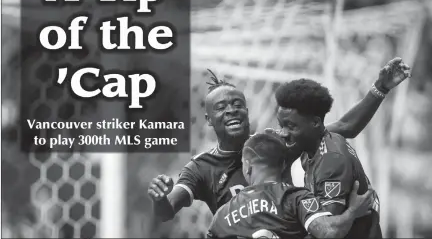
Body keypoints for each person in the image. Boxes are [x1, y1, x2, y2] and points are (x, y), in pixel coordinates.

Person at [148, 57, 411, 222]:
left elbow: (343, 127)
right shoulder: (200, 167)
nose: (230, 110)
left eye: (237, 103)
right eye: (220, 107)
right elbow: (166, 211)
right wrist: (160, 200)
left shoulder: (272, 145)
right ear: (207, 120)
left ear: (247, 110)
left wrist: (380, 88)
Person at [274, 78, 384, 238]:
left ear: (315, 123)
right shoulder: (317, 139)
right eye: (280, 125)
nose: (283, 133)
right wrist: (381, 88)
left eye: (291, 126)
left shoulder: (331, 162)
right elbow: (347, 126)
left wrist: (352, 212)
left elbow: (328, 233)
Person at [207, 133, 374, 239]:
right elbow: (328, 232)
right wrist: (352, 212)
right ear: (283, 166)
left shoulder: (222, 215)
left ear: (248, 166)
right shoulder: (296, 198)